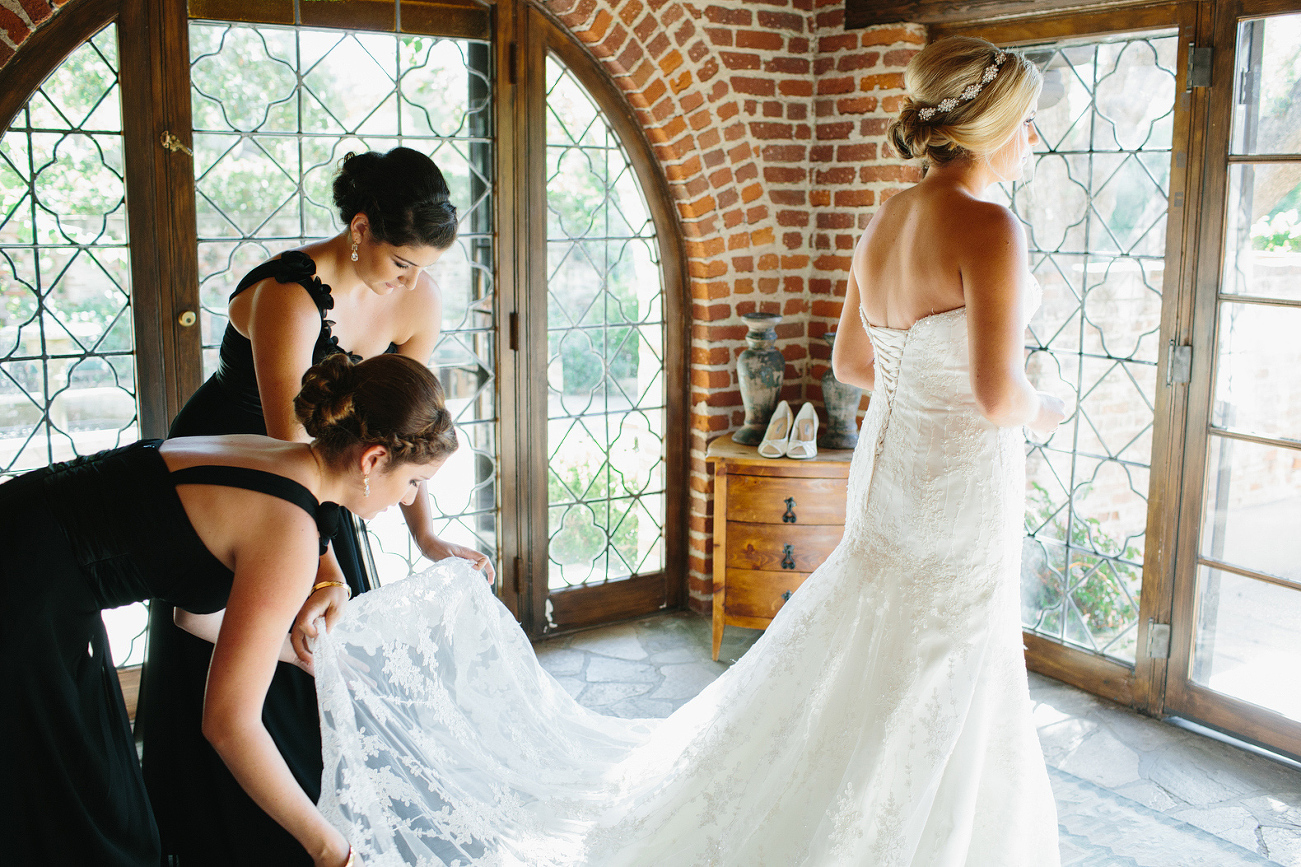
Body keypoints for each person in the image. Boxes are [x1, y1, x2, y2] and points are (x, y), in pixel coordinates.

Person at [292, 35, 1067, 866]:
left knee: (881, 642)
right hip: (957, 487)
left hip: (896, 473)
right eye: (1026, 125)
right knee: (944, 655)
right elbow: (998, 397)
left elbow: (851, 362)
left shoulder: (887, 217)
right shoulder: (989, 228)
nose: (1030, 141)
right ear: (988, 124)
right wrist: (1048, 402)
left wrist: (925, 381)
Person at [137, 146, 493, 866]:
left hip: (331, 476)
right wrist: (324, 573)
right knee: (253, 638)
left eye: (424, 265)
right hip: (254, 469)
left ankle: (324, 814)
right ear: (359, 228)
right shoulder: (288, 295)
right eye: (400, 260)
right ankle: (230, 828)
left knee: (320, 652)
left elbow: (409, 432)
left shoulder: (416, 297)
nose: (413, 280)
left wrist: (426, 534)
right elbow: (290, 452)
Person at [1, 353, 457, 867]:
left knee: (104, 806)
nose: (409, 499)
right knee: (73, 815)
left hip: (26, 532)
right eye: (415, 481)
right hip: (23, 588)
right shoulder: (290, 531)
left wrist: (294, 653)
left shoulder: (282, 459)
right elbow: (228, 725)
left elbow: (190, 616)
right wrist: (331, 849)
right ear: (373, 461)